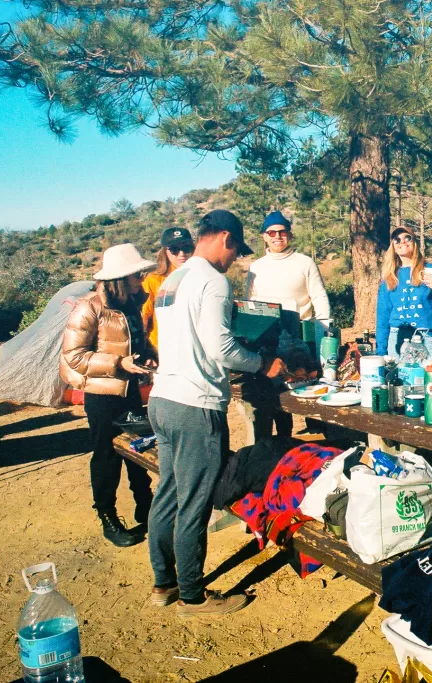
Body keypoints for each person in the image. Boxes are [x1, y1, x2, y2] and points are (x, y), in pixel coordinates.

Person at [147, 209, 287, 617]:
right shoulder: (212, 280)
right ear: (224, 238)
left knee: (169, 494)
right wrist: (263, 364)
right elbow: (219, 347)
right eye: (235, 251)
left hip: (163, 399)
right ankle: (191, 595)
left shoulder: (172, 279)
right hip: (194, 405)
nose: (234, 260)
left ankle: (164, 583)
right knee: (195, 501)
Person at [60, 243, 157, 548]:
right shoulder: (89, 309)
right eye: (135, 274)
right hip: (102, 396)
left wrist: (148, 356)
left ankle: (146, 505)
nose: (141, 278)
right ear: (120, 278)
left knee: (138, 449)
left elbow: (135, 345)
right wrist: (118, 364)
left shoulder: (129, 306)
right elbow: (74, 355)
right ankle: (107, 516)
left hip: (129, 391)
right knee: (106, 455)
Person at [245, 210, 331, 437]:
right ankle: (273, 442)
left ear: (289, 235)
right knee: (271, 394)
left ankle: (315, 435)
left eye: (282, 232)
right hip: (266, 339)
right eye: (271, 232)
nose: (277, 236)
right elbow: (249, 303)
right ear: (264, 236)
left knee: (304, 387)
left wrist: (323, 332)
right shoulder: (256, 267)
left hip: (300, 335)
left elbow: (320, 297)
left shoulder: (305, 262)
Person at [375, 225, 432, 361]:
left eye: (408, 238)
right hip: (396, 339)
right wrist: (381, 352)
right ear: (393, 247)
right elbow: (382, 317)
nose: (403, 242)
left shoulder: (431, 270)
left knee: (431, 381)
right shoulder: (389, 276)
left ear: (415, 243)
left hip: (428, 339)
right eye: (397, 239)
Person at [141, 226, 194, 356]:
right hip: (161, 350)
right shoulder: (153, 280)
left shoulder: (199, 276)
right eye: (175, 249)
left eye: (186, 248)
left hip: (191, 348)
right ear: (165, 251)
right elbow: (143, 318)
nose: (182, 254)